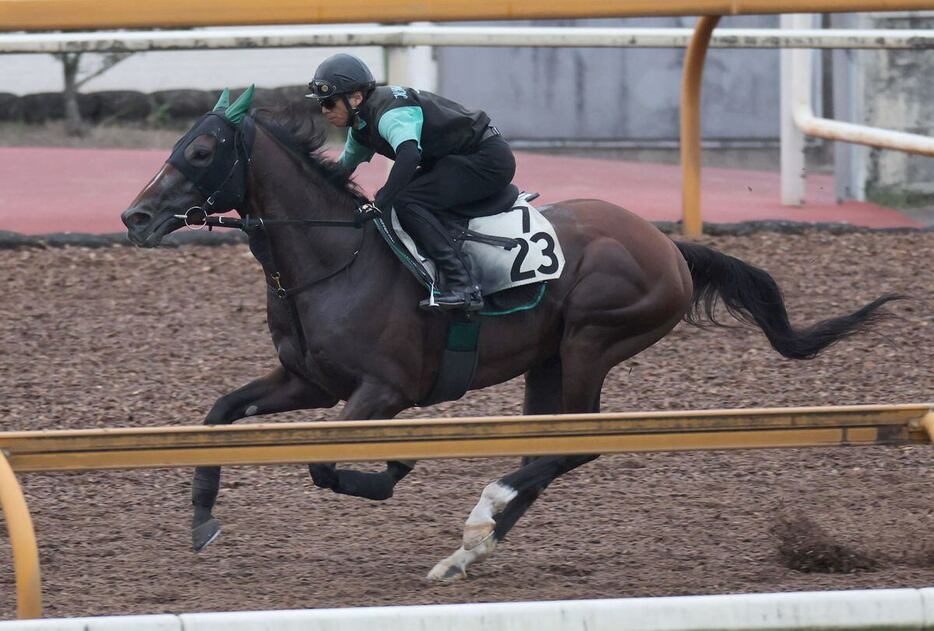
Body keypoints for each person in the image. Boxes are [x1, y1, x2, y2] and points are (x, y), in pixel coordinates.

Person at [307, 53, 516, 311]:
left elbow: (409, 154)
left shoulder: (390, 113)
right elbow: (338, 173)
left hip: (487, 160)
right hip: (460, 159)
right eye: (321, 104)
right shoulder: (360, 126)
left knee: (405, 200)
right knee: (391, 195)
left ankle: (464, 286)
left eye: (329, 102)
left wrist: (380, 203)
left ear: (356, 98)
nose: (324, 110)